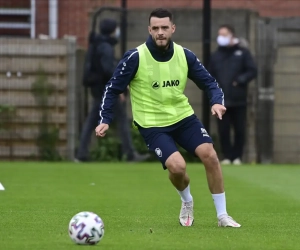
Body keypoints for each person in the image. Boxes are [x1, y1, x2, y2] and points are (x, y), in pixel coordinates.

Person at [95, 8, 241, 228]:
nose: (160, 32)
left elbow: (209, 82)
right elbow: (113, 88)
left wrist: (217, 101)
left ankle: (222, 216)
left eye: (164, 27)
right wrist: (105, 118)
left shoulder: (185, 55)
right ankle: (187, 201)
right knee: (178, 167)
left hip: (183, 118)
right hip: (152, 124)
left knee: (209, 155)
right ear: (149, 30)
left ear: (172, 28)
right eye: (156, 28)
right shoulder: (135, 57)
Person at [75, 18, 149, 163]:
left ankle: (82, 153)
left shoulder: (97, 44)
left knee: (92, 120)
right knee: (120, 119)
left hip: (100, 89)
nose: (118, 32)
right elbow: (109, 69)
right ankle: (129, 154)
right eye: (116, 29)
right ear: (111, 31)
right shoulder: (105, 47)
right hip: (106, 90)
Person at [208, 25, 257, 165]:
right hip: (221, 100)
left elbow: (252, 70)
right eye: (219, 34)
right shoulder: (216, 55)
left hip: (239, 99)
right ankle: (227, 156)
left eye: (224, 34)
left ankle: (237, 157)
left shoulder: (242, 53)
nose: (221, 38)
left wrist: (240, 81)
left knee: (239, 130)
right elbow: (209, 74)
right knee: (223, 130)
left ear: (231, 36)